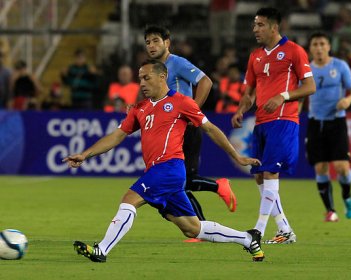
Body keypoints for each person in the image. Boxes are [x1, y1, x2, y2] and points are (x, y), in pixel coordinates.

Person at [64, 60, 265, 262]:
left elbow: (210, 129)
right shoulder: (139, 109)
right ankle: (247, 239)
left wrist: (237, 156)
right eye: (140, 78)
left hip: (169, 168)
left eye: (146, 77)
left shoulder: (182, 102)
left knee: (129, 199)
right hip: (161, 172)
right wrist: (85, 154)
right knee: (192, 228)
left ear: (162, 77)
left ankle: (102, 250)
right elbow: (116, 136)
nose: (141, 83)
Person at [231, 7, 316, 244]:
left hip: (284, 120)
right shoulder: (255, 56)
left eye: (260, 25)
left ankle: (257, 230)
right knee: (259, 176)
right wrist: (240, 109)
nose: (255, 29)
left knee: (270, 172)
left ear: (274, 27)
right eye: (254, 25)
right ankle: (284, 229)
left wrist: (283, 96)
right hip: (261, 122)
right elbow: (248, 91)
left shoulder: (294, 51)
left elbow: (310, 87)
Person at [144, 25, 237, 230]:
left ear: (167, 43)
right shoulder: (152, 69)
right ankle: (202, 227)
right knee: (179, 183)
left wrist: (192, 111)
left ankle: (215, 193)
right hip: (169, 131)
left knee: (182, 182)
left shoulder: (176, 63)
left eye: (156, 41)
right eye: (148, 42)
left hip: (185, 128)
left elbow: (205, 81)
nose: (151, 45)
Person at [307, 31, 351, 222]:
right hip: (315, 123)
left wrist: (348, 100)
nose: (319, 47)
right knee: (320, 167)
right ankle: (330, 210)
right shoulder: (306, 69)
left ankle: (347, 196)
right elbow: (299, 93)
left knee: (341, 168)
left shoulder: (340, 66)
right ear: (310, 48)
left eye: (322, 43)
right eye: (315, 44)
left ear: (329, 46)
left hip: (337, 121)